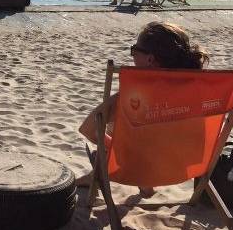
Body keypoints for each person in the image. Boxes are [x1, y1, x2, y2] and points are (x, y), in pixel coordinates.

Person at [76, 21, 209, 198]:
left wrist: (115, 146)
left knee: (113, 129)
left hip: (141, 167)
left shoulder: (131, 98)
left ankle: (104, 176)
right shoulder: (199, 92)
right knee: (145, 133)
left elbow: (88, 129)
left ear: (150, 59)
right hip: (182, 167)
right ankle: (142, 183)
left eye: (134, 50)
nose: (132, 54)